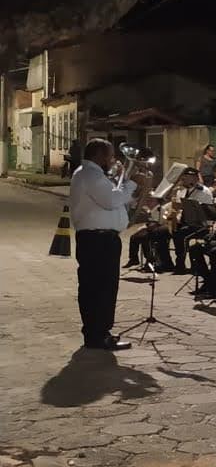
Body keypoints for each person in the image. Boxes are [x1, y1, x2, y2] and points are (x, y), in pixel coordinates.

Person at [69, 139, 146, 350]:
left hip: (101, 239)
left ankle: (99, 333)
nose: (113, 160)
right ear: (100, 156)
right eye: (111, 156)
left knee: (99, 288)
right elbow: (111, 201)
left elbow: (113, 201)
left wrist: (132, 196)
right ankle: (97, 335)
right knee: (100, 289)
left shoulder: (92, 175)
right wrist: (132, 182)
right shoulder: (90, 175)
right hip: (98, 241)